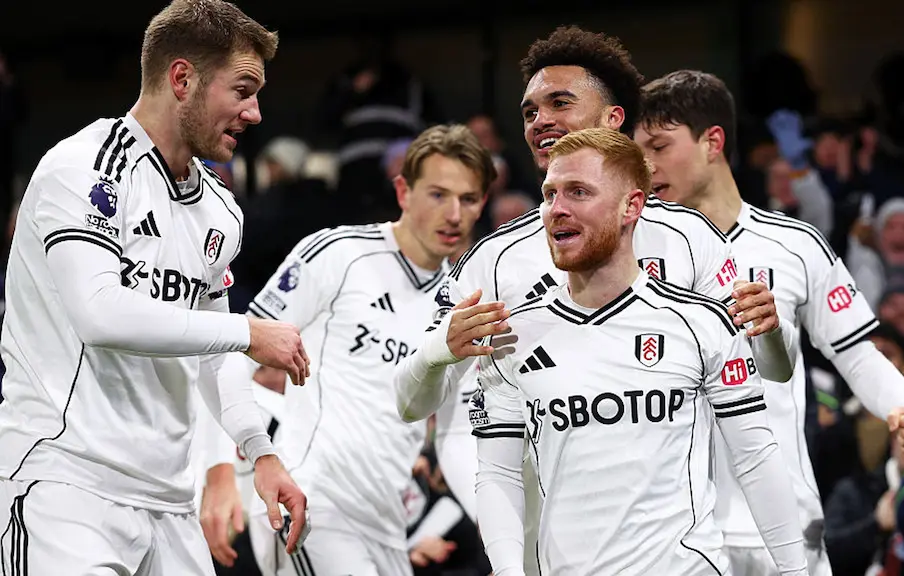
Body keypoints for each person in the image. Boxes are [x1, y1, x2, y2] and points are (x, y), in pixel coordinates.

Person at [0, 1, 311, 574]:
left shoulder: (221, 211)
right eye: (243, 91)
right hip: (66, 487)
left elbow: (211, 356)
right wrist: (246, 331)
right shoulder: (84, 169)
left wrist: (259, 451)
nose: (256, 113)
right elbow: (101, 314)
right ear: (182, 79)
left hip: (169, 502)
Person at [633, 69, 904, 575]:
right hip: (677, 530)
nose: (645, 164)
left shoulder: (794, 244)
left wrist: (902, 408)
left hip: (785, 525)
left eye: (659, 147)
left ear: (712, 142)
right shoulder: (632, 255)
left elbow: (858, 356)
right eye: (637, 149)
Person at [469, 127, 807, 574]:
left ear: (632, 206)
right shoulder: (513, 336)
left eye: (578, 192)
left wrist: (795, 571)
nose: (557, 210)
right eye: (549, 194)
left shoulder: (701, 323)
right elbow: (499, 474)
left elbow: (756, 457)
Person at [201, 124, 494, 576]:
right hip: (313, 504)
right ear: (403, 191)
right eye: (438, 194)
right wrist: (219, 469)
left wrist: (497, 531)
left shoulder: (464, 303)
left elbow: (454, 434)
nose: (454, 214)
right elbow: (232, 353)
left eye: (469, 199)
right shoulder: (338, 254)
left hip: (388, 527)